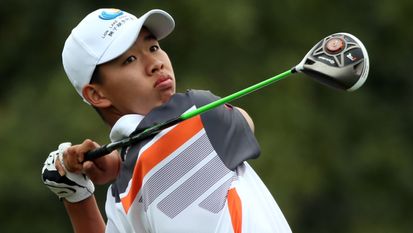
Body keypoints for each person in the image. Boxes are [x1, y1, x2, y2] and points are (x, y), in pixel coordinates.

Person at [41, 8, 292, 233]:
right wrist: (119, 164)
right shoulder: (196, 111)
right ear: (96, 94)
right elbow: (243, 121)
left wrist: (77, 197)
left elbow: (161, 149)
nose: (155, 63)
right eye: (129, 60)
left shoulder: (122, 194)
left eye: (153, 47)